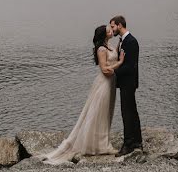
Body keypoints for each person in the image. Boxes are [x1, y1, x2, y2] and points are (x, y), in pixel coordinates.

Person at [41, 24, 125, 164]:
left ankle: (102, 142)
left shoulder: (109, 47)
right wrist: (120, 63)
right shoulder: (101, 49)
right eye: (108, 30)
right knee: (100, 114)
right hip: (104, 84)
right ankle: (100, 145)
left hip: (110, 84)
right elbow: (105, 70)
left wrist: (118, 48)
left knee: (107, 113)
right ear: (104, 35)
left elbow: (112, 58)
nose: (111, 31)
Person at [109, 15, 142, 155]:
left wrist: (113, 73)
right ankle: (137, 141)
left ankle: (128, 144)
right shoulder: (123, 41)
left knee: (127, 113)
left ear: (120, 25)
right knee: (132, 112)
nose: (112, 29)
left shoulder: (131, 42)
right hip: (125, 83)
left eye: (113, 26)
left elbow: (130, 66)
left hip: (128, 83)